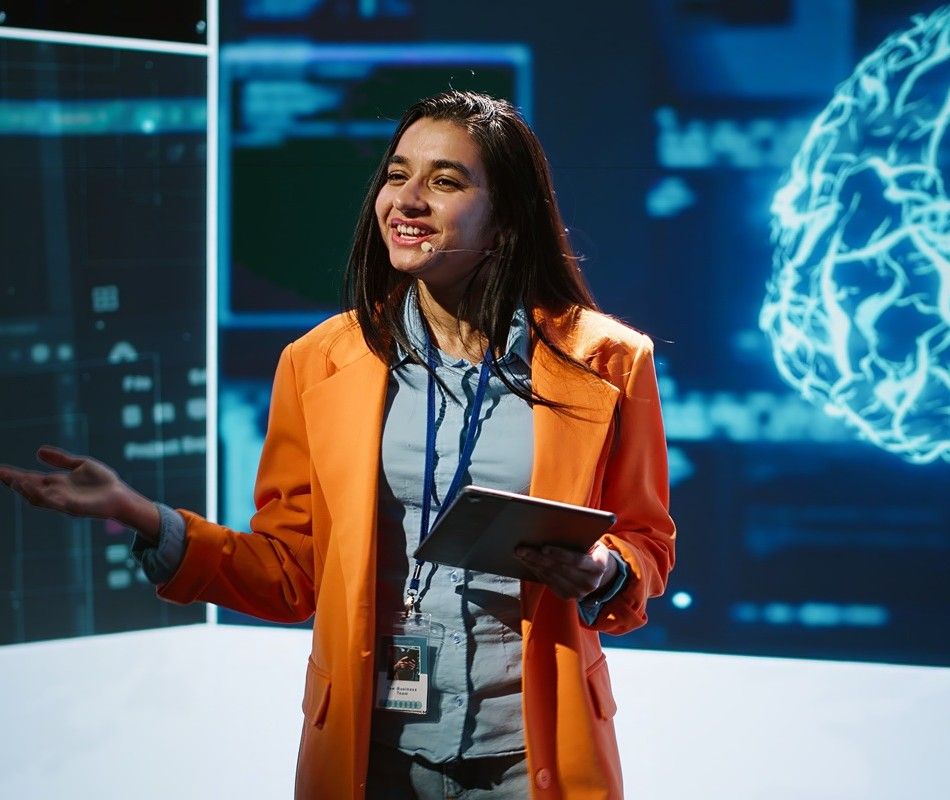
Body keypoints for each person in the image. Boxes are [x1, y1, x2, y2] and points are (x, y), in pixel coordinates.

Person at [0, 90, 675, 800]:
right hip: (371, 751)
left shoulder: (607, 361)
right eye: (397, 175)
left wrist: (606, 571)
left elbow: (647, 542)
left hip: (532, 752)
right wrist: (139, 514)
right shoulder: (318, 361)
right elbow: (292, 571)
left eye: (445, 181)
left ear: (507, 219)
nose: (407, 201)